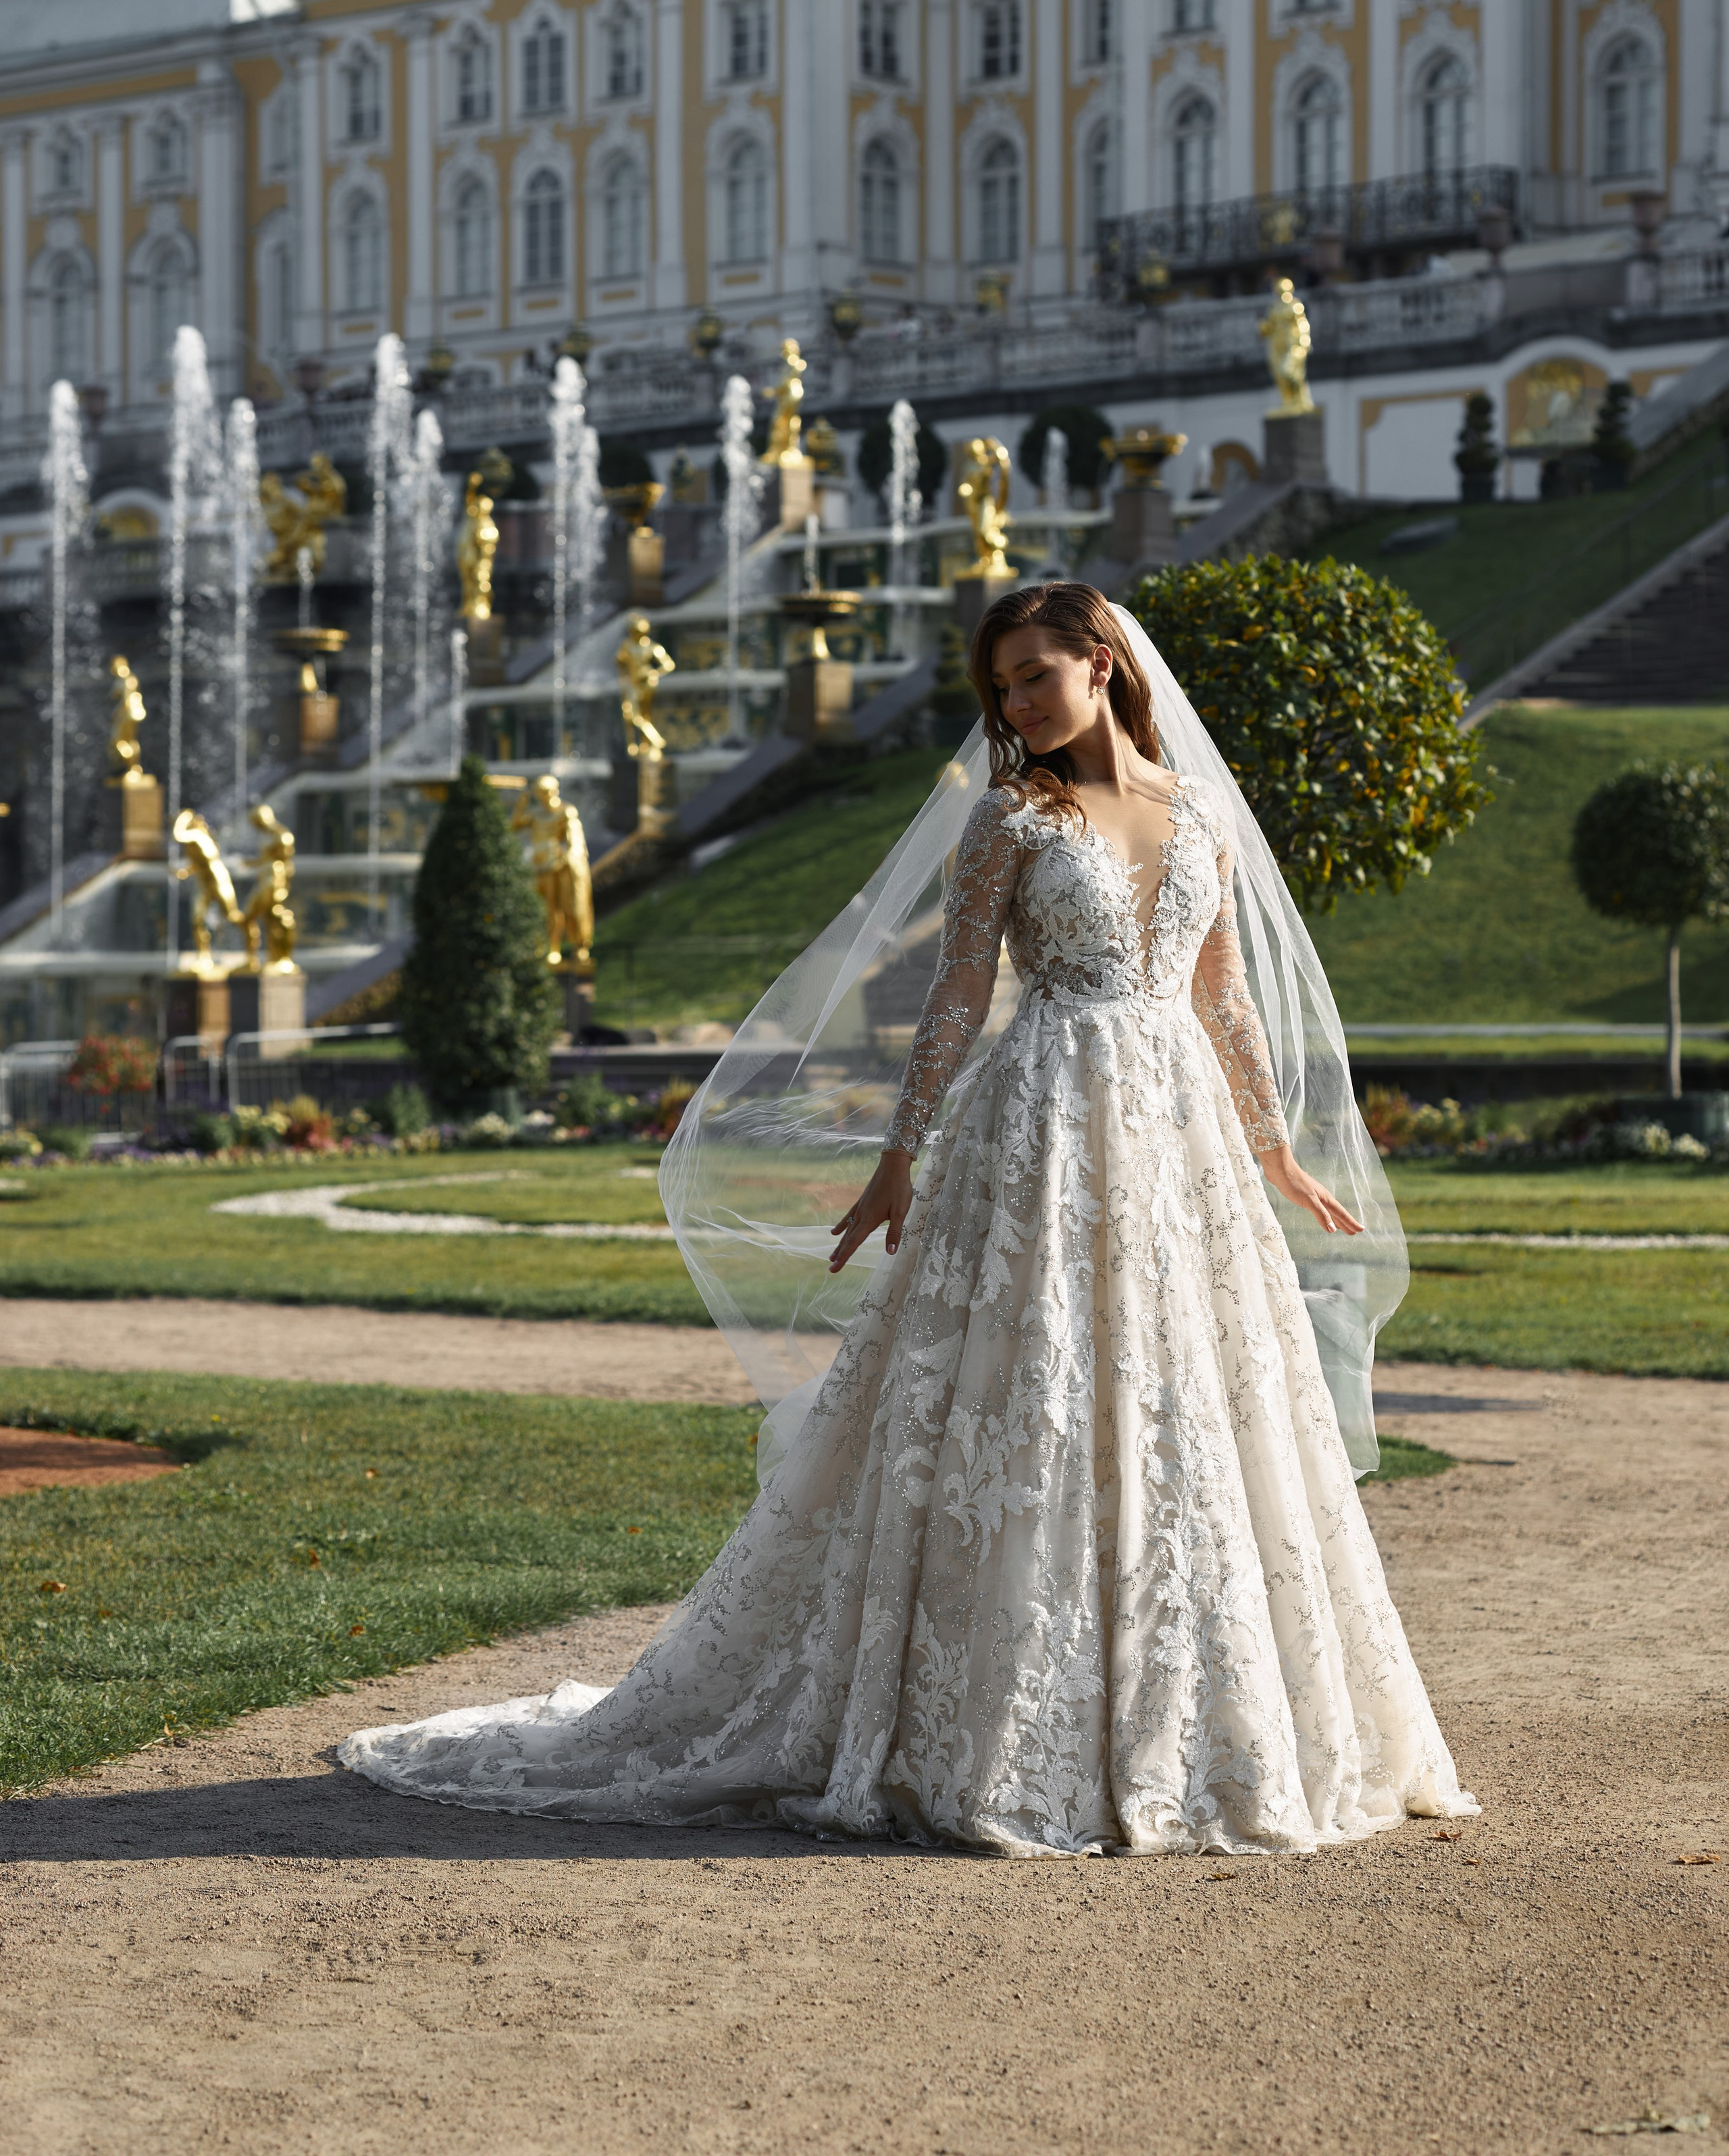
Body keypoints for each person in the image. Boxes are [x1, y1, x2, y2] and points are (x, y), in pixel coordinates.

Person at [340, 582, 1474, 1857]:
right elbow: (959, 991)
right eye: (1001, 688)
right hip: (1040, 1128)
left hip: (1181, 1143)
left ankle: (1204, 1724)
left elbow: (1226, 999)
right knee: (1024, 1397)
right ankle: (993, 1729)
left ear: (1103, 664)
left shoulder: (1201, 811)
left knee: (1187, 1410)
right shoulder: (1010, 817)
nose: (1016, 705)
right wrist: (898, 1153)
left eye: (1036, 675)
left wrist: (1272, 1143)